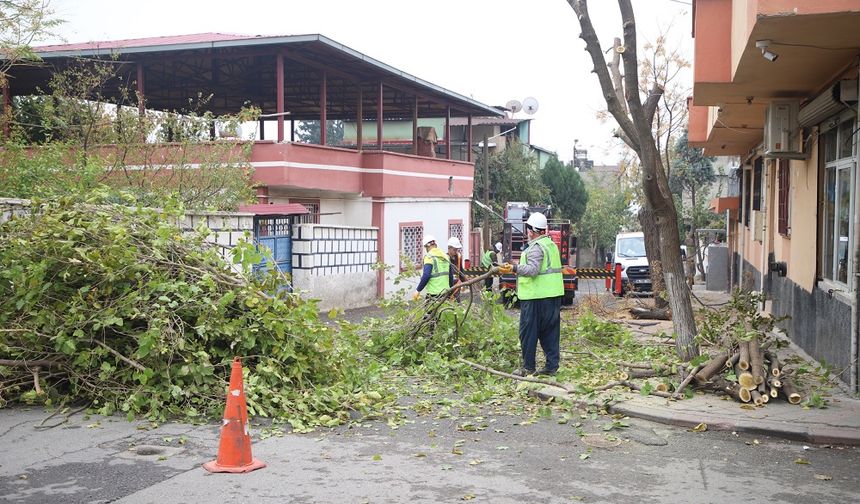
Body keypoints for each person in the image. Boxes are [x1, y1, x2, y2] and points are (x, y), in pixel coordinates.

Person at [499, 213, 563, 376]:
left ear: (533, 231)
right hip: (553, 296)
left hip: (536, 298)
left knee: (528, 333)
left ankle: (528, 367)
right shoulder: (550, 245)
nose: (527, 232)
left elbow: (533, 270)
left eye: (528, 229)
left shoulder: (535, 248)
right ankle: (551, 366)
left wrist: (514, 268)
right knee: (550, 333)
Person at [412, 235, 454, 301]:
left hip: (434, 294)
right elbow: (451, 276)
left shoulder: (429, 257)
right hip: (446, 293)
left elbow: (426, 275)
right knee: (445, 311)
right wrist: (451, 292)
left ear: (427, 246)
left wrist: (418, 290)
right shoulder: (445, 256)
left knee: (430, 311)